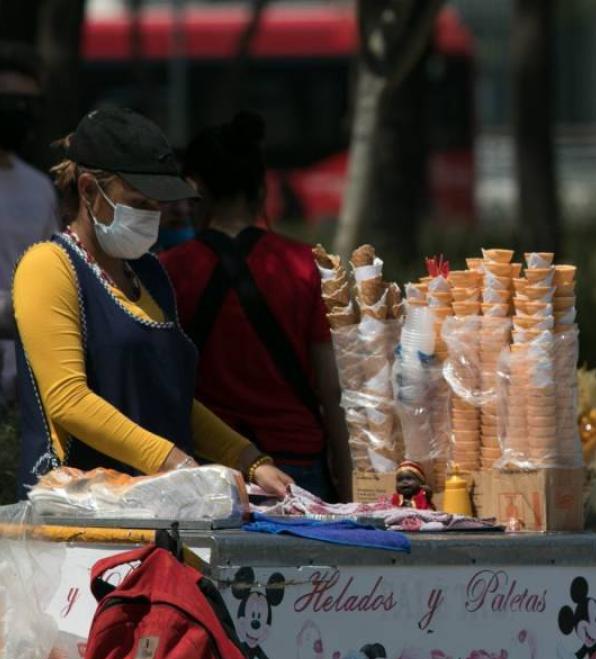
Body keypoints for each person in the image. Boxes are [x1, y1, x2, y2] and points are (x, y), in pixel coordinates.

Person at [12, 106, 293, 498]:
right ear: (89, 190)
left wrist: (248, 458)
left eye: (158, 206)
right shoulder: (48, 266)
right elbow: (67, 400)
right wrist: (174, 462)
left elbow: (169, 399)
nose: (154, 216)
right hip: (82, 514)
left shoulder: (150, 274)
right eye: (140, 203)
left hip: (157, 504)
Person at [159, 111, 350, 501]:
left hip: (210, 466)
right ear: (262, 190)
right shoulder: (305, 266)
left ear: (197, 190)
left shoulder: (169, 272)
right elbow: (332, 390)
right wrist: (348, 488)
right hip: (298, 462)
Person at [0, 42, 58, 405]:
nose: (19, 112)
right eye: (8, 101)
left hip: (23, 382)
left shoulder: (39, 188)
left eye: (29, 104)